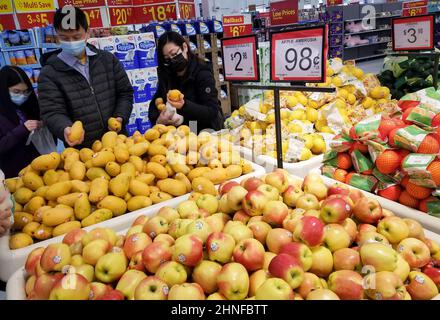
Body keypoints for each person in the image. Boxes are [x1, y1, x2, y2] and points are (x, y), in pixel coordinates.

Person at [38, 6, 133, 148]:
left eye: (76, 37)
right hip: (82, 151)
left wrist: (120, 117)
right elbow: (52, 112)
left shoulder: (107, 60)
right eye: (64, 38)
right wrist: (65, 128)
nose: (71, 42)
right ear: (57, 36)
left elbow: (125, 93)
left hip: (118, 143)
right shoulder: (49, 73)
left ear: (87, 33)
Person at [148, 31, 224, 132]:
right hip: (176, 131)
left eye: (174, 54)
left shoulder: (202, 73)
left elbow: (211, 111)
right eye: (167, 59)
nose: (172, 60)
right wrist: (159, 120)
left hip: (200, 127)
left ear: (185, 47)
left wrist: (184, 105)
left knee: (192, 143)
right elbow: (155, 103)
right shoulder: (168, 75)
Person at [0, 66, 42, 178]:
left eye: (25, 91)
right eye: (16, 91)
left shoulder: (27, 107)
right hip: (12, 174)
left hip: (36, 169)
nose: (22, 96)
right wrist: (22, 130)